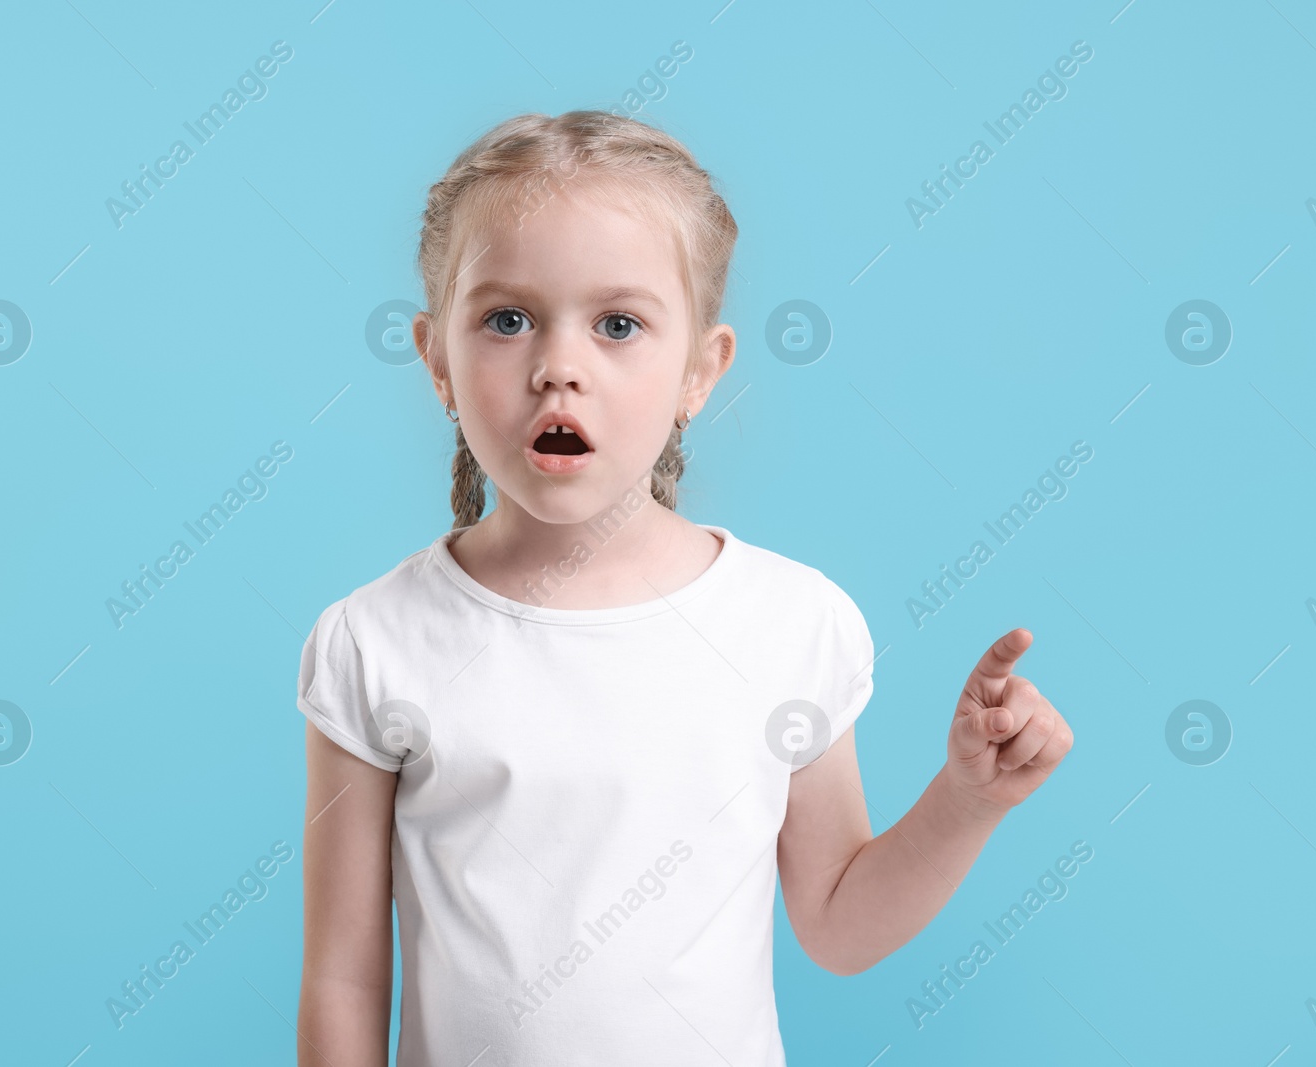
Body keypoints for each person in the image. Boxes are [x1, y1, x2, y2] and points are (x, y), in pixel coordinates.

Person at [295, 109, 1073, 1066]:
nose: (558, 368)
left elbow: (837, 923)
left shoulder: (790, 623)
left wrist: (968, 799)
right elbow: (341, 975)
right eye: (507, 320)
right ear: (438, 361)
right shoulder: (373, 641)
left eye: (618, 324)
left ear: (700, 371)